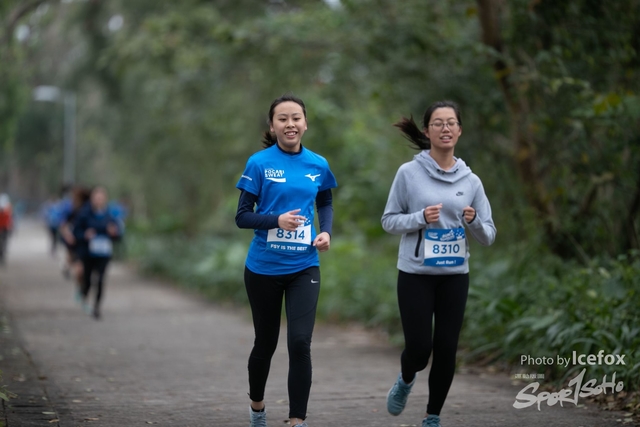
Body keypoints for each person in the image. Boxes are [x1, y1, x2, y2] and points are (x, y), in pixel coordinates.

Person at [381, 101, 496, 427]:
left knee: (446, 348)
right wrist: (419, 218)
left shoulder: (471, 181)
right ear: (428, 130)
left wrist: (473, 221)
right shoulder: (408, 173)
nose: (445, 129)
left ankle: (433, 416)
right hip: (416, 274)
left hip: (454, 275)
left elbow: (488, 235)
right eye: (438, 123)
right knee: (419, 348)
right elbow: (389, 221)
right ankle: (405, 379)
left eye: (451, 123)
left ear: (459, 130)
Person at [235, 94, 337, 427]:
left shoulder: (318, 165)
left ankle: (297, 420)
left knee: (299, 341)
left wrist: (326, 232)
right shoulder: (259, 163)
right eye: (283, 118)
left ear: (305, 123)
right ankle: (257, 407)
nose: (290, 124)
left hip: (304, 266)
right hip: (263, 268)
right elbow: (242, 217)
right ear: (272, 126)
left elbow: (325, 203)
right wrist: (275, 220)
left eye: (296, 118)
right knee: (266, 342)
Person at [73, 186, 122, 319]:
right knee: (88, 279)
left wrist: (114, 233)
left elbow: (118, 234)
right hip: (88, 253)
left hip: (104, 254)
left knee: (100, 279)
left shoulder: (110, 215)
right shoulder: (84, 213)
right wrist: (85, 235)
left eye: (101, 197)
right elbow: (76, 232)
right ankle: (84, 293)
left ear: (105, 199)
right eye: (96, 197)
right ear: (92, 199)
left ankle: (97, 307)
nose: (99, 200)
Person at [59, 186, 90, 292]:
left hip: (84, 242)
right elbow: (63, 224)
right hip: (74, 241)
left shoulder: (88, 209)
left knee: (81, 267)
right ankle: (67, 268)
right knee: (74, 261)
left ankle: (81, 285)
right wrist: (68, 235)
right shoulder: (72, 209)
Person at [0, 193, 13, 265]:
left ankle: (2, 256)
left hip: (5, 228)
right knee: (3, 243)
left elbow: (9, 220)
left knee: (3, 243)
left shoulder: (7, 210)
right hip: (4, 228)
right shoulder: (7, 210)